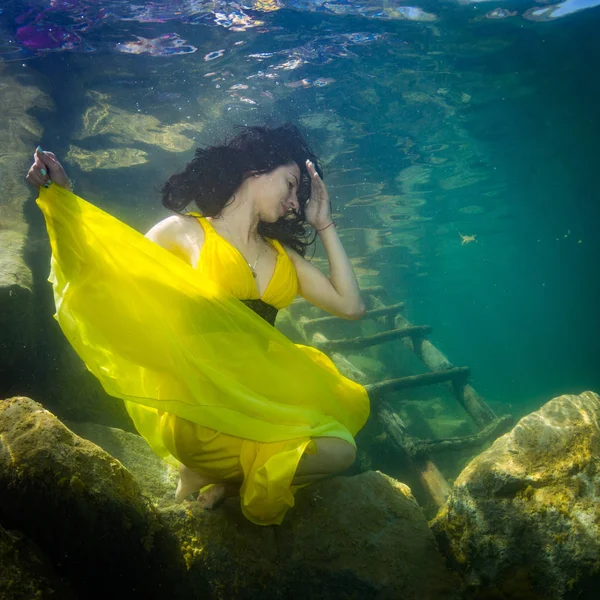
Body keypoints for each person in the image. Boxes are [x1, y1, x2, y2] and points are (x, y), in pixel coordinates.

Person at [26, 124, 370, 525]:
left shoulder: (284, 256)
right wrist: (62, 199)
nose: (295, 203)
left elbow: (351, 306)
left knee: (341, 449)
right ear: (254, 171)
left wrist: (324, 224)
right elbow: (104, 272)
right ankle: (214, 470)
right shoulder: (185, 231)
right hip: (202, 413)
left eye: (299, 195)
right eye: (290, 185)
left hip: (262, 404)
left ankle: (228, 482)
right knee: (335, 449)